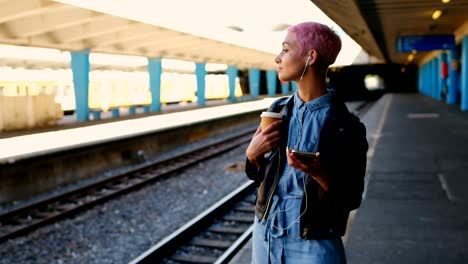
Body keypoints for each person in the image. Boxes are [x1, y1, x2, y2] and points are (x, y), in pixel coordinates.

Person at [245, 22, 368, 263]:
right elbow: (260, 175)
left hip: (314, 239)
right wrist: (252, 156)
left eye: (285, 50)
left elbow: (351, 198)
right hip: (266, 231)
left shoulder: (347, 127)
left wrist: (321, 174)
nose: (277, 58)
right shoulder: (277, 110)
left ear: (311, 57)